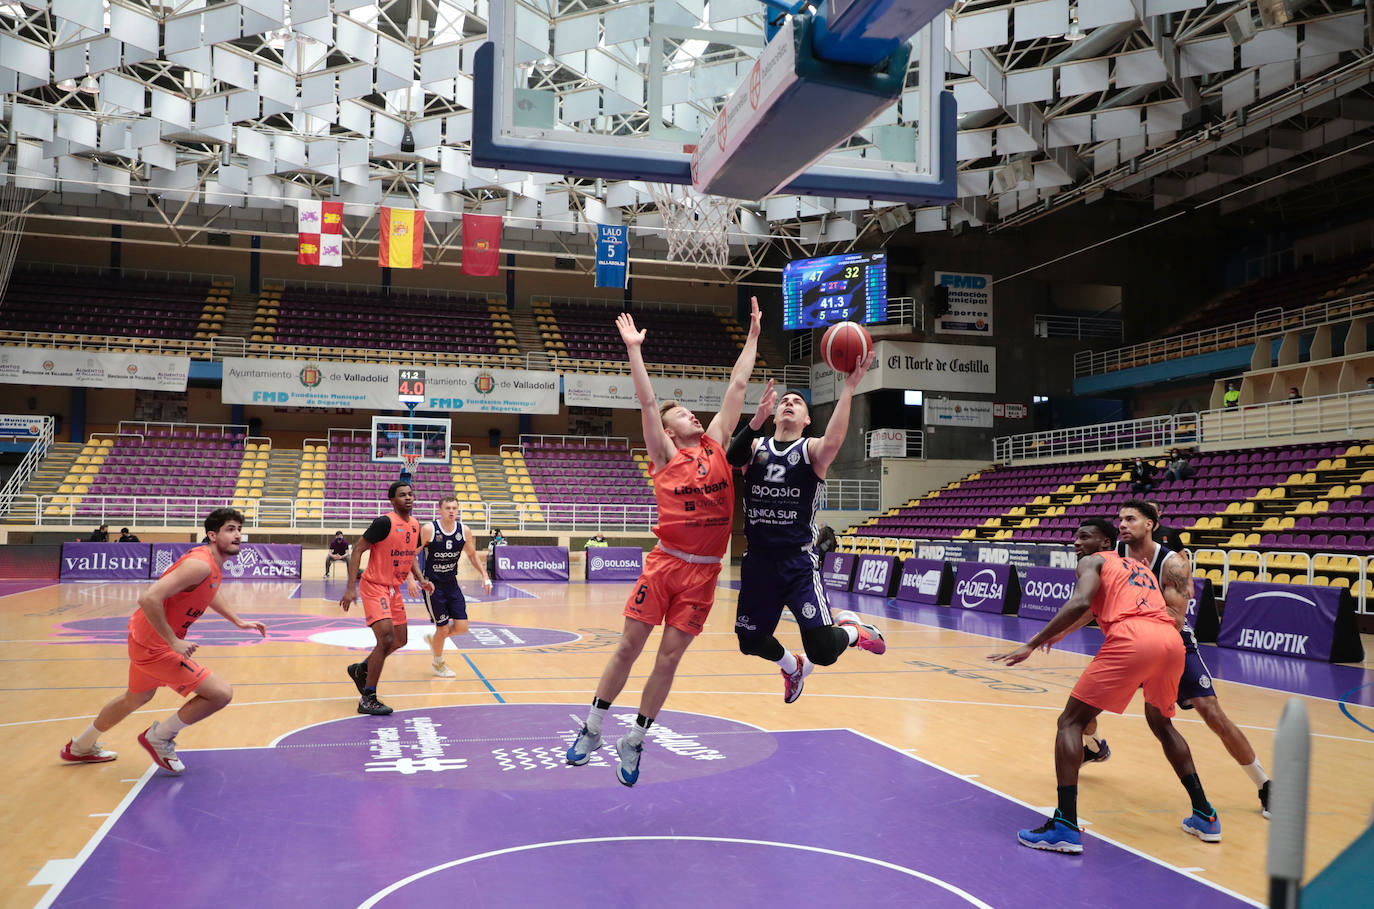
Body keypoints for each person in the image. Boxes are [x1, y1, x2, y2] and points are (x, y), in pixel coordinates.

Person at [563, 298, 762, 787]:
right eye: (683, 415)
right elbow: (649, 403)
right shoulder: (662, 454)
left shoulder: (716, 443)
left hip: (706, 572)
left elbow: (737, 385)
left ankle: (634, 739)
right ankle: (592, 726)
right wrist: (634, 350)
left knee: (668, 658)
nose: (692, 416)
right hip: (665, 564)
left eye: (693, 412)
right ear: (670, 431)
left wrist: (754, 336)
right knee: (630, 646)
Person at [988, 517, 1221, 854]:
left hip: (1133, 638)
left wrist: (1032, 641)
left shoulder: (1091, 561)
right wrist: (1059, 633)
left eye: (1085, 537)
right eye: (1075, 537)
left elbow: (1081, 603)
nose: (1076, 543)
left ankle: (1065, 826)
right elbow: (1097, 608)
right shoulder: (1135, 566)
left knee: (1070, 721)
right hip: (1171, 642)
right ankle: (1205, 816)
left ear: (1104, 542)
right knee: (1162, 724)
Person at [1084, 500, 1271, 818]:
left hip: (1171, 642)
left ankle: (1266, 786)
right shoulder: (1112, 556)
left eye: (1131, 518)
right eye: (1120, 519)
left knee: (1211, 713)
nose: (1123, 524)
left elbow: (1173, 616)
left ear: (1151, 524)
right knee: (1082, 708)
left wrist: (1130, 615)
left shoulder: (1173, 563)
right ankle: (1094, 747)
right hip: (1128, 643)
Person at [59, 508, 267, 772]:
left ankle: (80, 746)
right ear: (212, 535)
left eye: (239, 529)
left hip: (145, 638)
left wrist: (237, 620)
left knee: (134, 699)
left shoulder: (211, 565)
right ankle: (159, 736)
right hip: (155, 646)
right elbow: (148, 598)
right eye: (230, 529)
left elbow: (209, 592)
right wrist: (173, 641)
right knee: (220, 694)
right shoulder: (200, 563)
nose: (237, 534)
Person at [727, 367, 886, 705]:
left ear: (806, 419)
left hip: (797, 564)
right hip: (758, 564)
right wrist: (756, 418)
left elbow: (835, 440)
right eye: (784, 400)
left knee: (824, 651)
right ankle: (793, 666)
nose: (789, 403)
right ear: (774, 414)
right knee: (749, 642)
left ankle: (855, 632)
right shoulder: (755, 447)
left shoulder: (811, 450)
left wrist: (849, 388)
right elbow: (731, 457)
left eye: (797, 402)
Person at [340, 481, 433, 716]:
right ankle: (368, 697)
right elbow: (358, 549)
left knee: (400, 640)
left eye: (411, 494)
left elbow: (410, 554)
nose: (408, 498)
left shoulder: (414, 525)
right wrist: (351, 587)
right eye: (402, 495)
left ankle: (362, 669)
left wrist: (420, 579)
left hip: (394, 589)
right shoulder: (384, 523)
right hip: (374, 586)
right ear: (392, 500)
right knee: (387, 637)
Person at [419, 495, 492, 678]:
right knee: (443, 629)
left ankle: (435, 639)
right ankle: (438, 664)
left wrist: (484, 575)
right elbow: (412, 554)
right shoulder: (429, 529)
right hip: (433, 586)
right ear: (440, 510)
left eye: (454, 508)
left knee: (462, 627)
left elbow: (473, 555)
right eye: (447, 508)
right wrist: (414, 579)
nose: (451, 511)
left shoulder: (464, 531)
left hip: (452, 584)